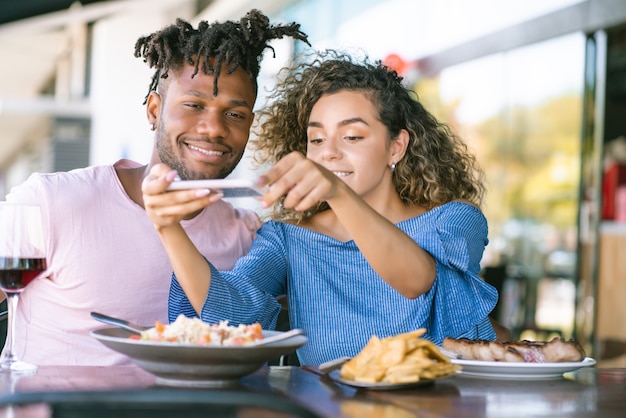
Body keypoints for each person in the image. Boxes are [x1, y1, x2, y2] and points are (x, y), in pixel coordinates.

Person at [142, 51, 498, 365]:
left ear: (396, 147)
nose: (328, 152)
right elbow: (233, 315)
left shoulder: (453, 219)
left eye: (352, 136)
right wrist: (168, 228)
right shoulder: (287, 238)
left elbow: (415, 280)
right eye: (316, 139)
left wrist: (339, 193)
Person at [1, 10, 309, 366]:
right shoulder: (51, 202)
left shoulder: (245, 236)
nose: (213, 128)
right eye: (194, 105)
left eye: (234, 114)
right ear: (154, 110)